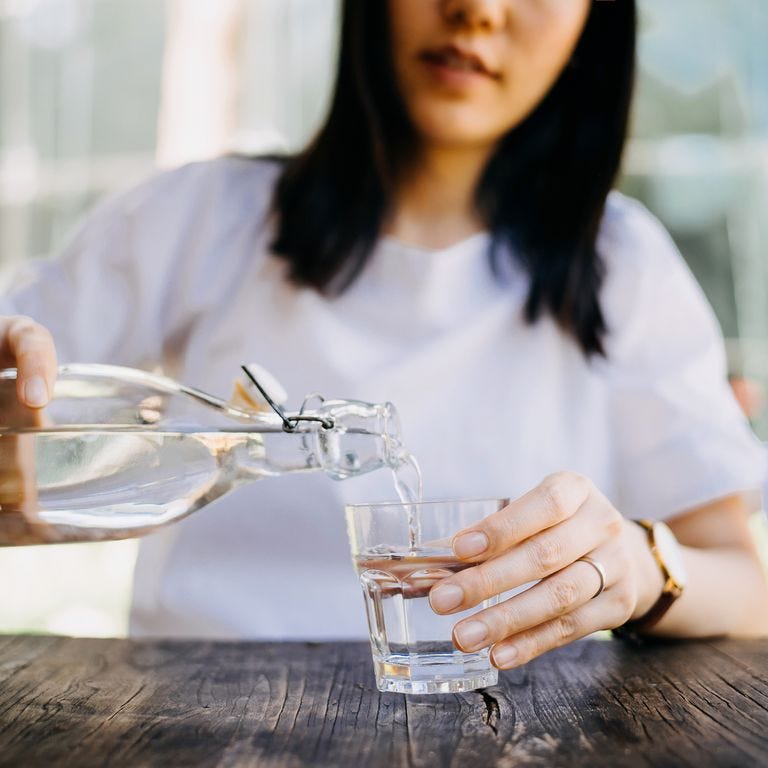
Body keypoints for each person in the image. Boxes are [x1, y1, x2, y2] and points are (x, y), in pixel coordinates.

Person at [1, 0, 767, 663]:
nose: (478, 10)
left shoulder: (623, 268)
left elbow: (748, 595)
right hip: (190, 733)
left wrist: (638, 563)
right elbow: (24, 359)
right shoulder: (204, 218)